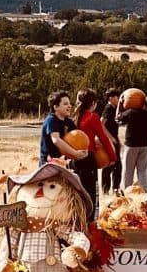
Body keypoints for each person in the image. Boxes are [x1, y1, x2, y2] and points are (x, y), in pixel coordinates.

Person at [73, 88, 115, 217]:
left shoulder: (74, 117)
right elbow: (103, 138)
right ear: (93, 103)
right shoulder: (93, 117)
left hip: (74, 158)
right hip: (87, 158)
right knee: (90, 192)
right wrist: (112, 157)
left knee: (77, 191)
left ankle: (77, 218)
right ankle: (90, 220)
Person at [39, 90, 87, 167]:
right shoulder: (51, 120)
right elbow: (56, 140)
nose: (69, 106)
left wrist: (84, 150)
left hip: (62, 162)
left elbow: (78, 137)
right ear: (56, 107)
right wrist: (74, 153)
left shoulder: (68, 121)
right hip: (49, 164)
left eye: (69, 103)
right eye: (65, 104)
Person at [116, 92, 147, 192]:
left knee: (128, 170)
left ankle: (126, 191)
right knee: (143, 170)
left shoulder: (131, 112)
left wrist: (120, 104)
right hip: (145, 145)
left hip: (131, 145)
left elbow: (118, 118)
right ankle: (143, 190)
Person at [100, 88, 121, 196]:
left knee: (117, 165)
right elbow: (101, 124)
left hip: (114, 138)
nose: (118, 99)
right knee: (108, 165)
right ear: (110, 98)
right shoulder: (108, 108)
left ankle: (115, 188)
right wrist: (111, 138)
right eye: (117, 97)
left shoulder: (115, 108)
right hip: (109, 140)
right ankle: (106, 189)